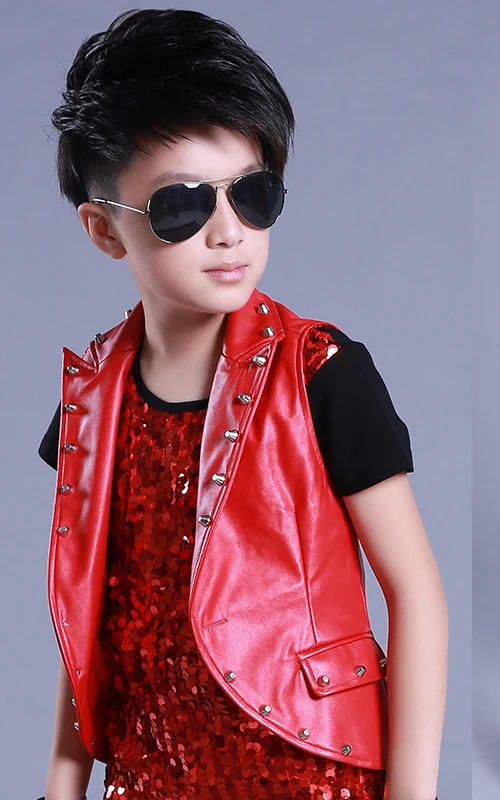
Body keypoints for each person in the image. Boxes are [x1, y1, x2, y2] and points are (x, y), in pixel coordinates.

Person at [36, 9, 447, 800]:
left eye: (253, 195)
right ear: (104, 230)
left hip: (312, 770)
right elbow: (85, 616)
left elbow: (416, 595)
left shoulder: (323, 373)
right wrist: (62, 780)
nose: (229, 232)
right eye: (181, 206)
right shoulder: (90, 402)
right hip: (148, 774)